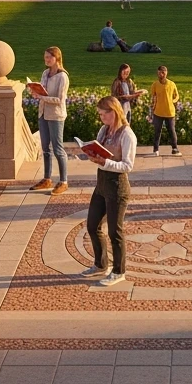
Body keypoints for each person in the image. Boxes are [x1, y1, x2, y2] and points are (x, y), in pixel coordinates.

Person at [79, 95, 138, 288]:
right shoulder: (104, 130)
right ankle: (100, 264)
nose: (102, 118)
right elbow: (99, 149)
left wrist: (104, 162)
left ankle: (119, 271)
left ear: (114, 112)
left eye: (104, 114)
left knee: (115, 231)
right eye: (100, 114)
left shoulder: (127, 134)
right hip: (101, 183)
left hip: (117, 186)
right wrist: (90, 153)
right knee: (92, 225)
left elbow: (128, 166)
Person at [29, 46, 69, 195]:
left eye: (49, 58)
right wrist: (35, 91)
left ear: (56, 58)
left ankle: (63, 181)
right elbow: (42, 90)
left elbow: (59, 100)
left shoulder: (63, 77)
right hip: (43, 114)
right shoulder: (45, 73)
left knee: (58, 149)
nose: (46, 60)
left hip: (56, 115)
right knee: (45, 148)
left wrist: (42, 97)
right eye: (45, 57)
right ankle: (47, 178)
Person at [149, 65, 181, 156]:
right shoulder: (155, 85)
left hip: (169, 112)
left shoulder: (171, 84)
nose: (161, 75)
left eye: (163, 73)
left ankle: (175, 148)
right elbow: (153, 97)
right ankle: (156, 150)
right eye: (159, 73)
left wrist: (173, 101)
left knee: (171, 130)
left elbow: (176, 95)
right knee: (157, 131)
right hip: (158, 112)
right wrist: (152, 107)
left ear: (166, 73)